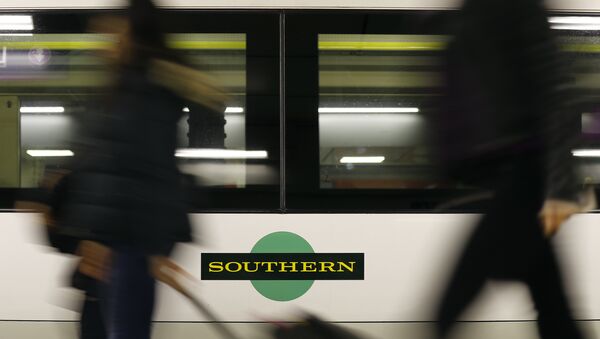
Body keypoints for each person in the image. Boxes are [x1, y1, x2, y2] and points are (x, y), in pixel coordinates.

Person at [58, 1, 226, 338]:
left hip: (129, 248)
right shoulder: (125, 90)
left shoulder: (146, 94)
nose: (106, 42)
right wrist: (90, 239)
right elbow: (105, 170)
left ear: (133, 34)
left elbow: (150, 172)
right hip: (112, 248)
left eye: (113, 32)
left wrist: (154, 248)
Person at [431, 0, 586, 338]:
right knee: (553, 306)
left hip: (527, 170)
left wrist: (559, 184)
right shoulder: (482, 12)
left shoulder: (514, 8)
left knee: (454, 300)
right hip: (517, 170)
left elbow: (555, 93)